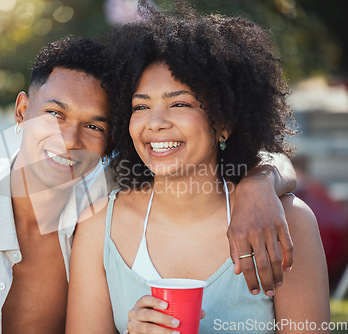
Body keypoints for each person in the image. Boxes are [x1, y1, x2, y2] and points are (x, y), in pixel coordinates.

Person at [0, 36, 293, 332]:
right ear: (22, 111)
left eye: (94, 127)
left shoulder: (103, 199)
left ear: (110, 143)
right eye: (55, 114)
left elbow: (206, 159)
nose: (69, 140)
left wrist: (258, 183)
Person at [66, 4, 330, 334]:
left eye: (180, 103)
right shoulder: (98, 227)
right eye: (141, 106)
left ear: (223, 122)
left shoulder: (285, 223)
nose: (156, 122)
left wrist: (260, 183)